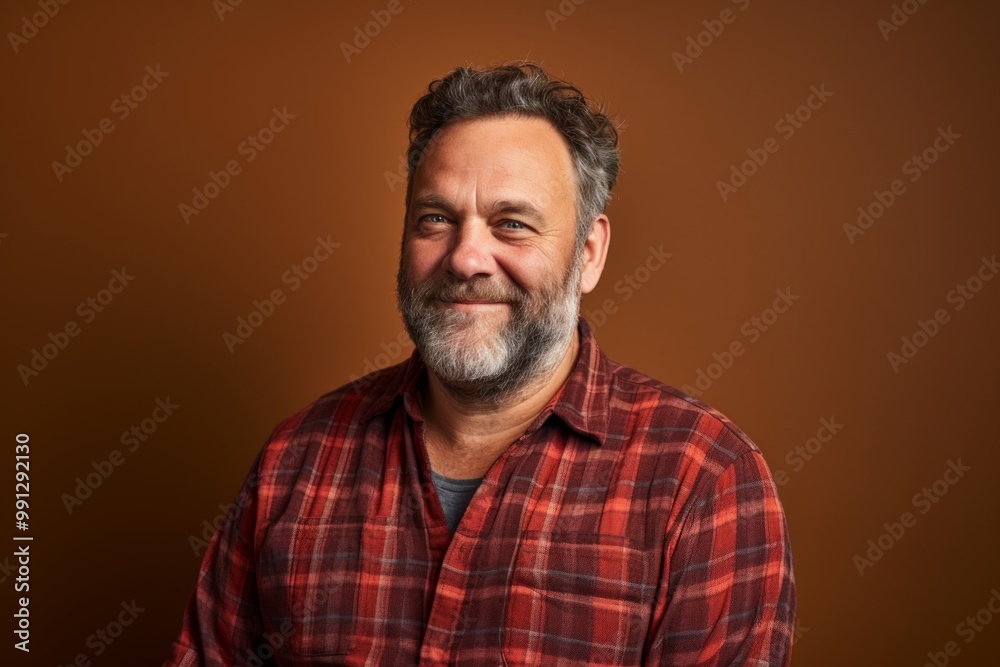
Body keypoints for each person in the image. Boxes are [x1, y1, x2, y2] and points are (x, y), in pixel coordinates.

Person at [162, 61, 795, 667]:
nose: (466, 259)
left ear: (590, 254)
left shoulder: (703, 479)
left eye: (512, 224)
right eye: (436, 218)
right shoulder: (295, 461)